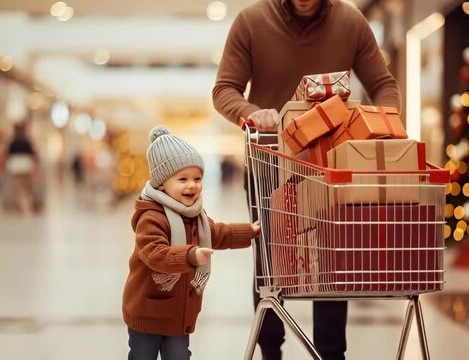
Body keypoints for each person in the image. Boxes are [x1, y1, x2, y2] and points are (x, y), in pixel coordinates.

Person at [212, 1, 401, 359]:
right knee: (269, 261)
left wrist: (381, 124)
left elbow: (383, 85)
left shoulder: (351, 22)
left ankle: (331, 353)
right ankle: (271, 349)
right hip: (269, 163)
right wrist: (253, 114)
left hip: (330, 164)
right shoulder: (251, 22)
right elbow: (224, 90)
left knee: (332, 256)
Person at [122, 125, 261, 360]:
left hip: (178, 312)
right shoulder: (151, 217)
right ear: (161, 183)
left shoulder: (195, 215)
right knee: (142, 355)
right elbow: (155, 254)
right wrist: (190, 256)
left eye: (197, 178)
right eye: (183, 179)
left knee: (179, 355)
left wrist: (249, 232)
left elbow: (217, 232)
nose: (192, 185)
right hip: (147, 310)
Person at [4, 123, 41, 212]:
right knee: (28, 186)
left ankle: (18, 205)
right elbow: (32, 152)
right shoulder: (26, 140)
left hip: (16, 165)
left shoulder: (13, 140)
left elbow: (8, 153)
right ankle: (32, 204)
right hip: (26, 164)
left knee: (17, 186)